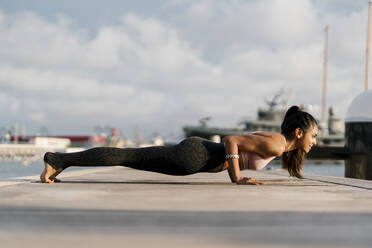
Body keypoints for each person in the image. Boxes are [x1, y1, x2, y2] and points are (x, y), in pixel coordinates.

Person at [40, 105, 318, 185]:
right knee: (128, 156)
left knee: (129, 156)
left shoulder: (279, 143)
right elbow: (231, 140)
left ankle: (59, 162)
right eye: (314, 136)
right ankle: (57, 160)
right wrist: (237, 178)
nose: (315, 141)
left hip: (198, 156)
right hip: (196, 156)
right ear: (298, 132)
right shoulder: (276, 145)